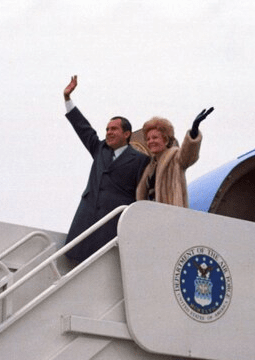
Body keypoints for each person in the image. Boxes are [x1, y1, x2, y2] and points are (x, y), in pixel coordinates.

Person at [63, 75, 149, 262]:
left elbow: (143, 195)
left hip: (112, 227)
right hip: (86, 221)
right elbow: (83, 128)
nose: (108, 132)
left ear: (126, 134)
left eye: (114, 129)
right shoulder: (99, 149)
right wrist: (68, 99)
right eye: (107, 129)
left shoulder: (141, 160)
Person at [136, 107, 214, 207]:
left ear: (166, 140)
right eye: (148, 139)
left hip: (172, 215)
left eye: (155, 138)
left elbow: (188, 155)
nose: (151, 142)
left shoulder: (174, 156)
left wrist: (194, 131)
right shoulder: (149, 167)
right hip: (152, 215)